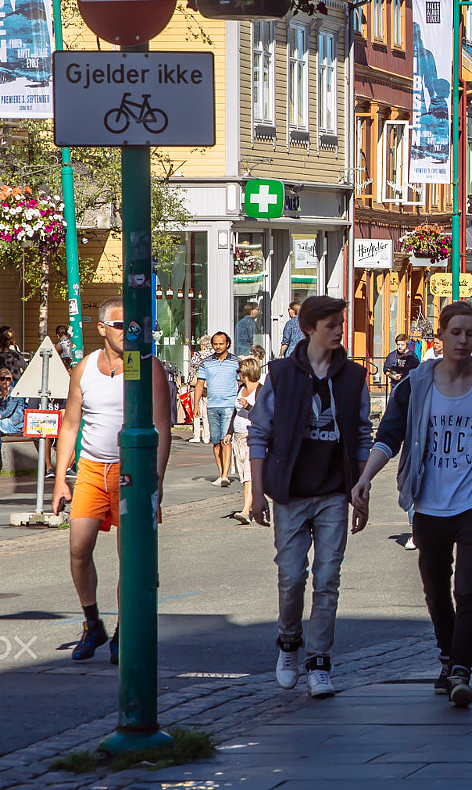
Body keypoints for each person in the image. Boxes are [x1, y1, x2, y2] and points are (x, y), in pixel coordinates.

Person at [352, 301, 472, 708]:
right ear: (440, 337)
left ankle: (461, 670)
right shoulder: (415, 384)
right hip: (428, 503)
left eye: (471, 333)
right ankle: (448, 657)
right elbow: (389, 437)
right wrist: (364, 479)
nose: (463, 340)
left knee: (468, 589)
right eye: (456, 332)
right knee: (434, 589)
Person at [247, 295, 373, 699]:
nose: (339, 330)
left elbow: (361, 434)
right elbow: (258, 433)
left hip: (335, 491)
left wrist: (361, 486)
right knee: (291, 576)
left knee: (327, 579)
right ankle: (289, 643)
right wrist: (257, 493)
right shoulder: (281, 374)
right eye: (331, 325)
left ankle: (319, 661)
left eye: (340, 323)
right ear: (308, 330)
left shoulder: (354, 377)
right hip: (290, 492)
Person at [52, 298, 173, 663]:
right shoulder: (84, 368)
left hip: (131, 471)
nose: (127, 331)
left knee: (130, 557)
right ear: (102, 328)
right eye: (119, 325)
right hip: (90, 468)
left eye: (132, 325)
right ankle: (93, 623)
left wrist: (158, 476)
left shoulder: (147, 367)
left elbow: (164, 427)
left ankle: (125, 629)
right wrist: (60, 479)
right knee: (78, 550)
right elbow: (70, 424)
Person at [195, 332, 241, 487]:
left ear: (227, 343)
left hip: (229, 404)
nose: (218, 346)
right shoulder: (206, 362)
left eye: (221, 343)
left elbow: (241, 383)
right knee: (215, 442)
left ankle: (225, 475)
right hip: (212, 405)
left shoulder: (236, 362)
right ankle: (221, 473)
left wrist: (241, 403)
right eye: (215, 344)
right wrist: (196, 405)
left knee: (226, 440)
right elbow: (200, 384)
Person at [229, 358, 264, 524]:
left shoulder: (261, 390)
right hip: (238, 437)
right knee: (244, 475)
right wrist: (228, 433)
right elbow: (234, 413)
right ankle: (257, 505)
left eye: (240, 371)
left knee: (249, 476)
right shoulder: (240, 388)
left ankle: (245, 510)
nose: (238, 374)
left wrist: (248, 407)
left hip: (253, 437)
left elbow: (265, 414)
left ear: (248, 372)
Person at [186, 334, 215, 443]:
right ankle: (207, 436)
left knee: (196, 410)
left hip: (197, 384)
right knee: (206, 411)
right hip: (209, 386)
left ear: (203, 345)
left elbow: (193, 370)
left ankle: (197, 435)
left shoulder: (197, 355)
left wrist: (189, 382)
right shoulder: (213, 356)